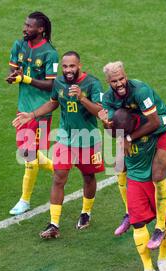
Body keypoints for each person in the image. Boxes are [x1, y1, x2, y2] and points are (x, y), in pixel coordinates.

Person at [13, 51, 104, 239]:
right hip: (65, 139)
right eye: (65, 66)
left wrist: (82, 98)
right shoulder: (59, 82)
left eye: (72, 66)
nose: (68, 70)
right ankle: (54, 224)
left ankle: (86, 212)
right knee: (58, 177)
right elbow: (53, 103)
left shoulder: (92, 83)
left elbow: (100, 112)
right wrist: (31, 115)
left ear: (79, 65)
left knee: (88, 176)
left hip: (87, 140)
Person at [99, 61, 166, 249]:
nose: (119, 84)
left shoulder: (140, 90)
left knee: (157, 174)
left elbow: (153, 123)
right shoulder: (108, 99)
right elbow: (114, 132)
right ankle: (129, 212)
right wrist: (106, 124)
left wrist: (128, 137)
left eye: (121, 79)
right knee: (119, 166)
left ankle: (160, 226)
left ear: (125, 75)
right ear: (108, 81)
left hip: (159, 126)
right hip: (136, 128)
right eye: (114, 81)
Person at [112, 108, 166, 271]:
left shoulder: (152, 124)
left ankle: (163, 258)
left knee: (165, 221)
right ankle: (148, 269)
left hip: (155, 181)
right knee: (137, 223)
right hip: (135, 182)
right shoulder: (120, 132)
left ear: (133, 121)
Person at [6, 11, 59, 215]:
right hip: (23, 109)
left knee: (28, 155)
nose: (25, 29)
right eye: (25, 25)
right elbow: (14, 71)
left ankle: (25, 200)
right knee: (29, 153)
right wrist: (13, 77)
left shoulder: (50, 53)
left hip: (41, 112)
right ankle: (59, 168)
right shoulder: (19, 45)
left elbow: (51, 85)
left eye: (29, 26)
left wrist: (25, 79)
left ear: (41, 29)